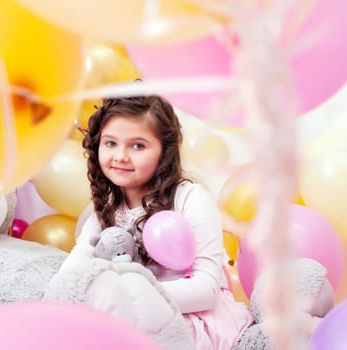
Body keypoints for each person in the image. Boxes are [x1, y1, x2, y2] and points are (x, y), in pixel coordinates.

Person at [76, 92, 253, 350]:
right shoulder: (105, 208)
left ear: (164, 152)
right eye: (110, 143)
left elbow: (206, 290)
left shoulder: (191, 199)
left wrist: (129, 299)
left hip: (188, 318)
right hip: (126, 315)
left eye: (138, 146)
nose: (121, 156)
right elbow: (75, 269)